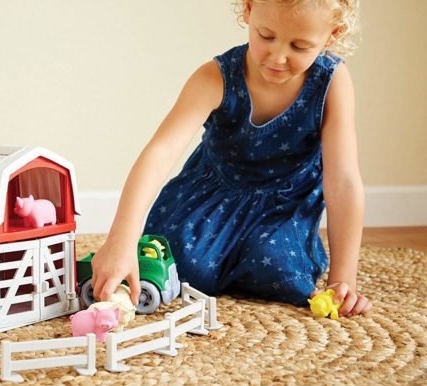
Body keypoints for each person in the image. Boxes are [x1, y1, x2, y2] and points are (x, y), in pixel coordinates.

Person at [91, 0, 372, 317]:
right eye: (266, 35)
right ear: (249, 10)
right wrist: (121, 240)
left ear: (331, 35)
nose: (278, 56)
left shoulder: (331, 82)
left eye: (299, 46)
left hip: (283, 206)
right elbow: (161, 152)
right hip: (213, 198)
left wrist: (343, 279)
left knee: (281, 273)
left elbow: (343, 181)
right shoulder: (216, 76)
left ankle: (251, 259)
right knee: (179, 266)